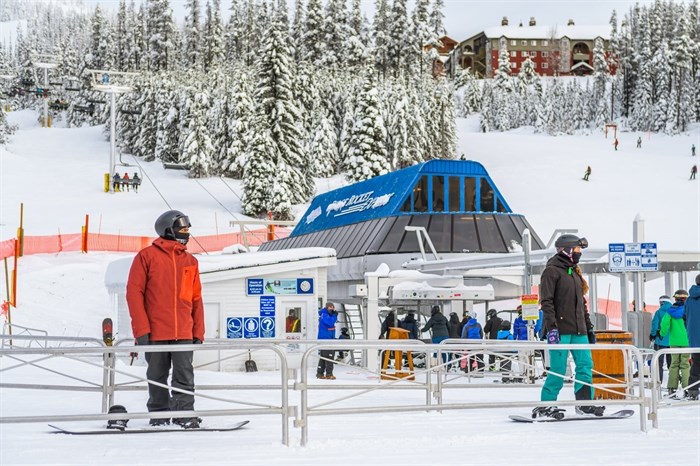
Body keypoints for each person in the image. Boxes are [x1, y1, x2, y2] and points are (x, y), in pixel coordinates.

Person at [126, 210, 204, 429]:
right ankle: (159, 415)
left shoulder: (190, 261)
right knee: (157, 375)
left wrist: (198, 330)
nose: (187, 233)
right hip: (156, 332)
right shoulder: (147, 257)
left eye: (188, 229)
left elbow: (196, 298)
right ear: (169, 230)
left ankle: (184, 414)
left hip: (183, 333)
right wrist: (141, 330)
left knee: (185, 376)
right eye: (183, 229)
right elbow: (134, 293)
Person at [533, 233, 604, 419]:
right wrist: (551, 328)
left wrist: (588, 327)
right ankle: (546, 405)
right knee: (557, 368)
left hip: (578, 330)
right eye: (578, 249)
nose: (580, 253)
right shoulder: (552, 271)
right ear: (568, 250)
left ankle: (584, 403)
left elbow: (582, 304)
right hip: (560, 329)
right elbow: (546, 302)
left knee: (585, 365)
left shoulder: (574, 273)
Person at [660, 290, 690, 398]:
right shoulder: (688, 310)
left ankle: (671, 389)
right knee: (685, 364)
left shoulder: (670, 311)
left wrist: (662, 333)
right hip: (687, 341)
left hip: (674, 342)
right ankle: (688, 389)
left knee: (674, 364)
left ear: (675, 299)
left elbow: (664, 324)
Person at [649, 295, 673, 385]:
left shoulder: (658, 312)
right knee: (672, 363)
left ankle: (658, 382)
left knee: (658, 362)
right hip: (672, 341)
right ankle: (672, 384)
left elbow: (654, 325)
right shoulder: (674, 311)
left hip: (660, 340)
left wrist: (652, 335)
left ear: (661, 302)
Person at [685, 274, 700, 400]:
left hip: (694, 339)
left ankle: (693, 391)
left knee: (695, 365)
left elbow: (686, 317)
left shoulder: (689, 300)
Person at [317, 302, 338, 379]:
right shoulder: (324, 315)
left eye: (333, 307)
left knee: (323, 357)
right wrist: (335, 315)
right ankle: (329, 374)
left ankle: (320, 373)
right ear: (327, 307)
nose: (332, 309)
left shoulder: (327, 315)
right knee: (329, 356)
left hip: (328, 338)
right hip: (326, 339)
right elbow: (330, 322)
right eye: (330, 307)